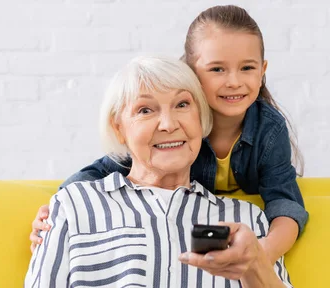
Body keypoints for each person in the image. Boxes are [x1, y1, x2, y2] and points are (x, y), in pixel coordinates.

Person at [30, 5, 308, 265]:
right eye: (217, 69)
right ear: (190, 72)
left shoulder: (269, 130)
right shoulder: (174, 131)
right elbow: (101, 170)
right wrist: (55, 210)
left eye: (247, 67)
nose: (233, 81)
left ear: (263, 70)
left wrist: (265, 252)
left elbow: (285, 202)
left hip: (223, 217)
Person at [25, 56, 292, 288]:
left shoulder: (244, 220)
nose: (168, 124)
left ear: (201, 119)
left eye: (182, 105)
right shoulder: (74, 205)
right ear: (118, 128)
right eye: (145, 110)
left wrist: (255, 265)